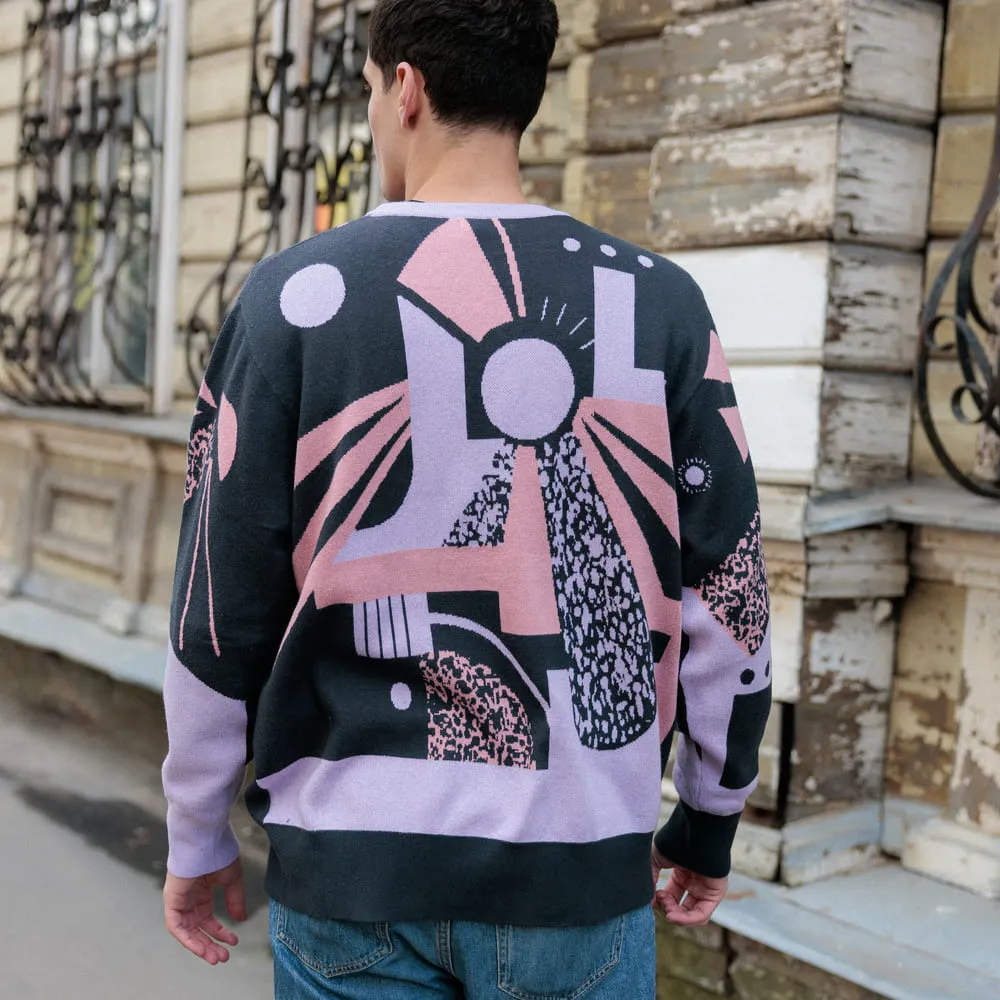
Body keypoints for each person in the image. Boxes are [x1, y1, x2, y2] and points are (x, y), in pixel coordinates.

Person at [161, 1, 772, 996]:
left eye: (369, 91)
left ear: (405, 88)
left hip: (352, 872)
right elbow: (728, 590)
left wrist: (195, 829)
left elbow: (215, 604)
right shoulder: (662, 302)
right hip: (580, 873)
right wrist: (710, 813)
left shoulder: (290, 299)